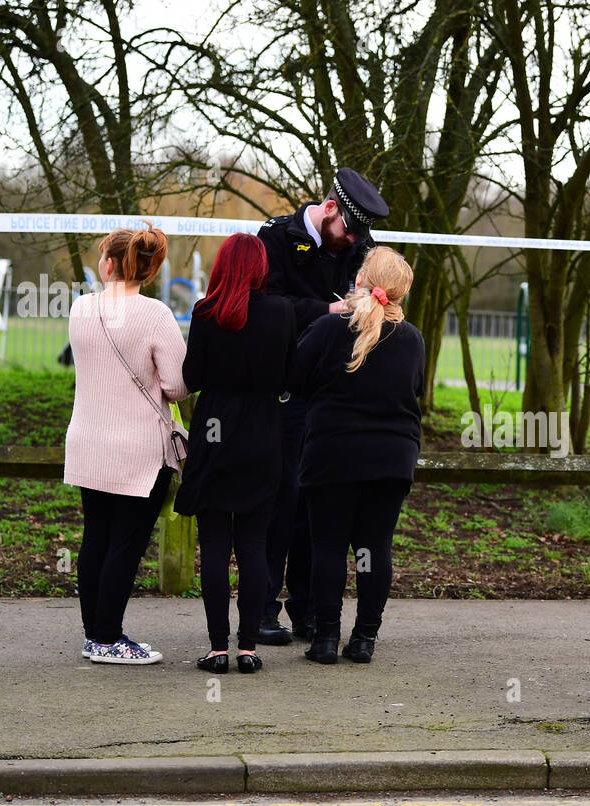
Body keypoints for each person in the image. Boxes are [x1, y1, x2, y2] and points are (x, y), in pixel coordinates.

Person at [255, 167, 390, 646]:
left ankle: (307, 608)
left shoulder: (352, 246)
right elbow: (265, 306)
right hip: (284, 389)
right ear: (330, 209)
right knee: (278, 502)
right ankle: (264, 606)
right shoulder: (273, 240)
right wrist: (330, 311)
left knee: (314, 510)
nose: (353, 241)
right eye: (348, 231)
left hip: (329, 397)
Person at [173, 233, 300, 674]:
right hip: (263, 435)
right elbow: (290, 377)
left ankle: (216, 649)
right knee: (253, 545)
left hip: (214, 434)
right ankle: (248, 647)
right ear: (261, 268)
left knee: (213, 545)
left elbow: (192, 375)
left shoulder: (206, 313)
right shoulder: (283, 313)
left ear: (224, 266)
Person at [64, 221, 189, 664]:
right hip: (137, 448)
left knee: (95, 537)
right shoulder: (155, 315)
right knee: (127, 543)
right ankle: (108, 637)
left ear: (110, 262)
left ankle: (93, 633)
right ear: (149, 269)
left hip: (88, 441)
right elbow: (176, 386)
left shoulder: (82, 309)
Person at [292, 246, 424, 664]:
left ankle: (326, 639)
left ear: (363, 278)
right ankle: (365, 638)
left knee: (327, 547)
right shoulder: (413, 339)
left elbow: (295, 376)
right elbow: (414, 389)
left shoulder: (329, 328)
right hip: (391, 458)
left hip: (332, 453)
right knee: (374, 548)